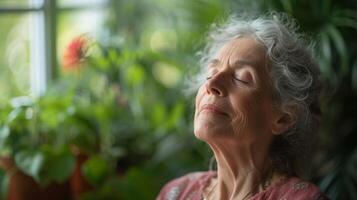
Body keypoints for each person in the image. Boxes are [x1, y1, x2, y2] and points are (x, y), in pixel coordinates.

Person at [156, 13, 329, 200]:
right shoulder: (176, 193)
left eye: (241, 78)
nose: (212, 83)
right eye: (210, 73)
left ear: (283, 118)